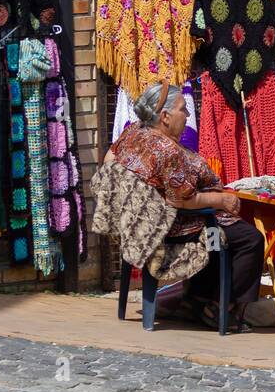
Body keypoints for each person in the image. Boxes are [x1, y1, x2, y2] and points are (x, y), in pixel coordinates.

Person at [106, 80, 264, 329]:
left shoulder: (133, 133)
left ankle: (196, 298)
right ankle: (216, 305)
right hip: (174, 228)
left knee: (223, 232)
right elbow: (184, 199)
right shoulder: (167, 151)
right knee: (248, 238)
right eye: (183, 109)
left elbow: (109, 160)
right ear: (165, 117)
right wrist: (221, 199)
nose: (188, 114)